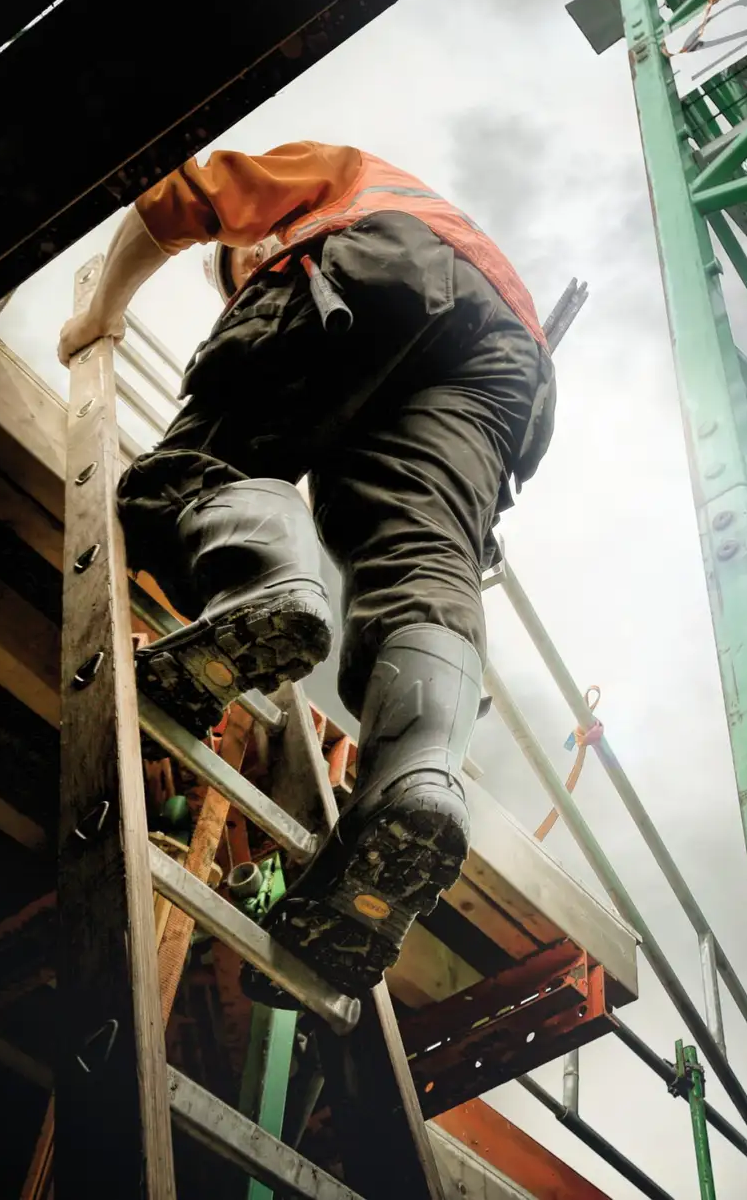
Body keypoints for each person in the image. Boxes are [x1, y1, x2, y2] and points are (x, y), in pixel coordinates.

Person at [58, 141, 556, 996]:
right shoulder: (448, 231)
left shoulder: (335, 187)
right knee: (419, 558)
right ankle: (415, 785)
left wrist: (98, 309)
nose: (244, 285)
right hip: (511, 365)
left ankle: (262, 582)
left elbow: (182, 194)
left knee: (192, 473)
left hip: (377, 267)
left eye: (239, 277)